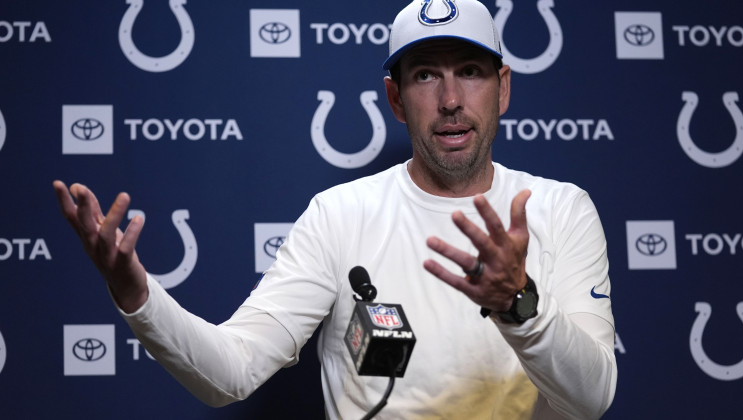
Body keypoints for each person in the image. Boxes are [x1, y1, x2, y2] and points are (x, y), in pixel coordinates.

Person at [53, 0, 617, 418]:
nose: (450, 100)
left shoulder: (561, 210)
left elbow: (591, 399)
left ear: (503, 89)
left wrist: (520, 307)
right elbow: (231, 371)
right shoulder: (339, 214)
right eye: (425, 75)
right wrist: (135, 292)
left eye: (469, 72)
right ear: (396, 99)